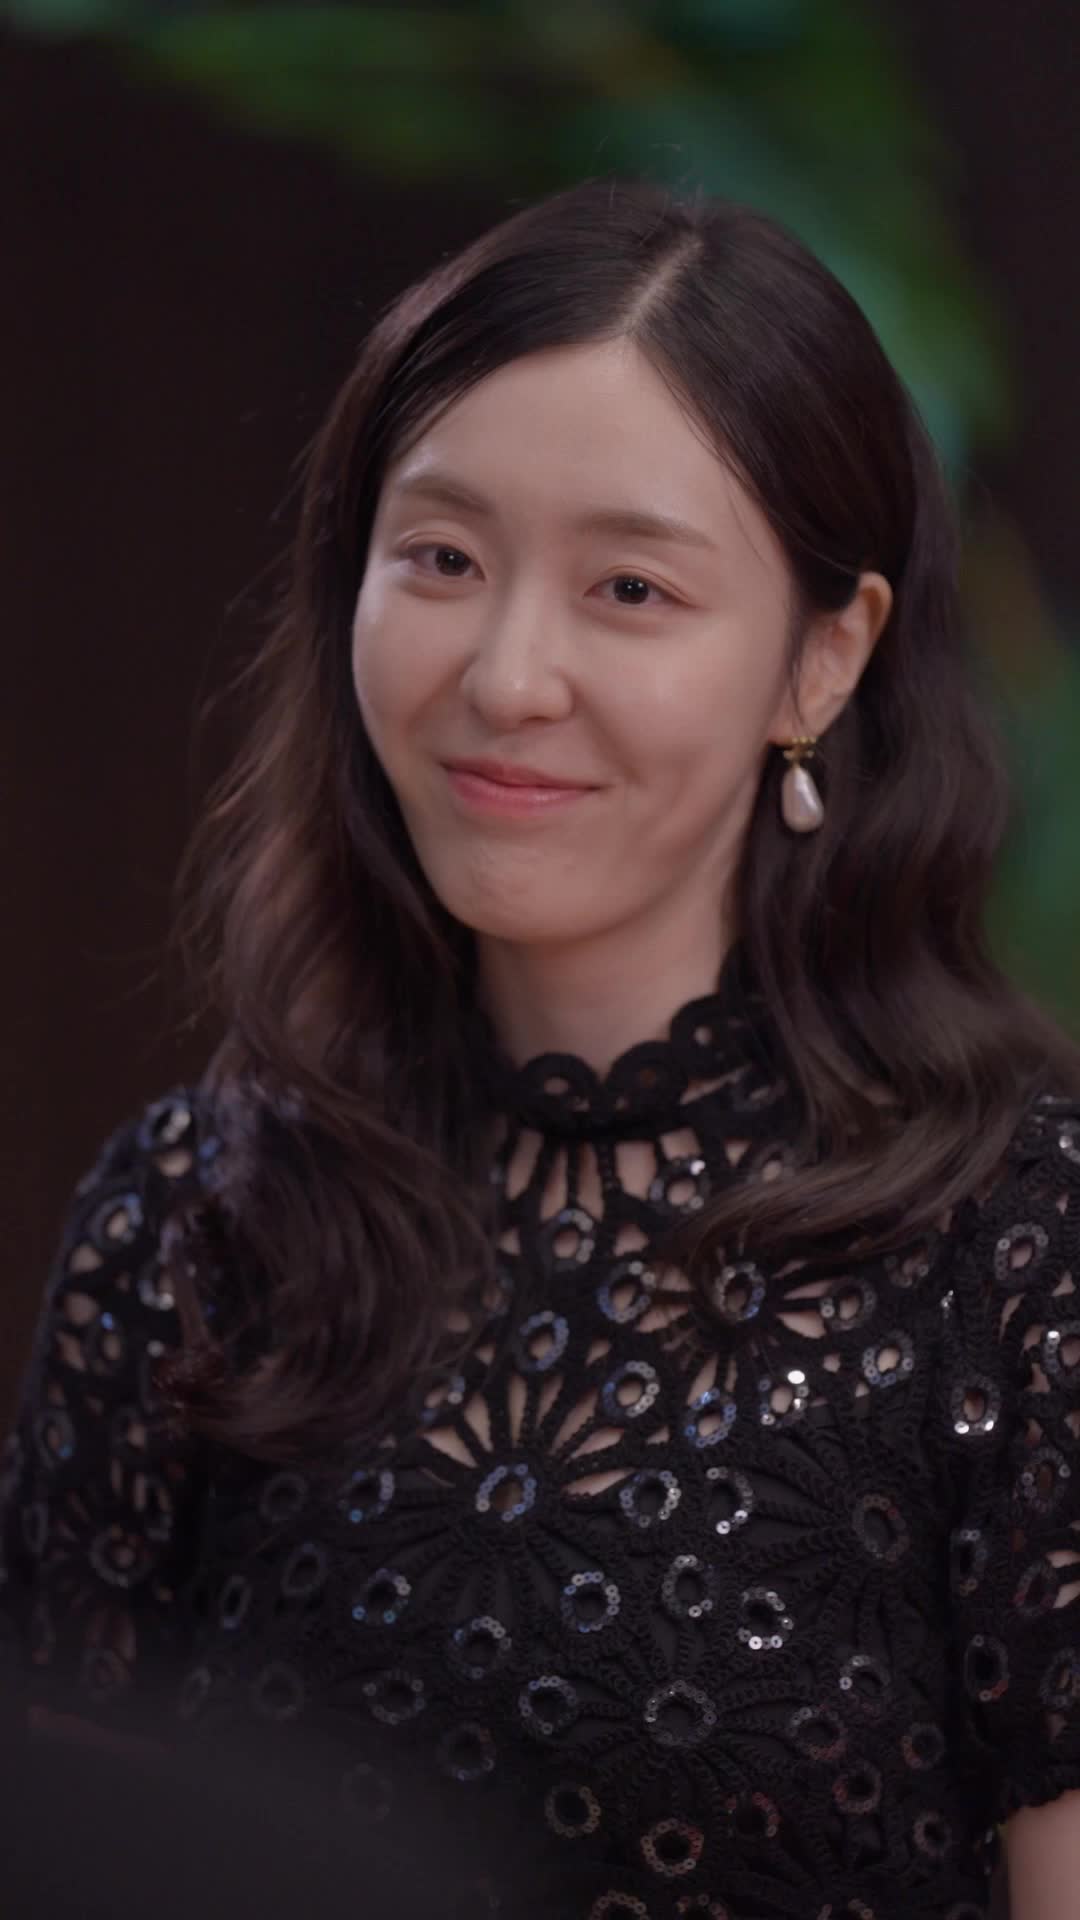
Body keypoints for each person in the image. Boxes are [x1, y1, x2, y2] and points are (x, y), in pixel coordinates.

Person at [2, 176, 1079, 1920]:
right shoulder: (194, 1226)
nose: (507, 677)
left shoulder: (1021, 1254)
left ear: (823, 660)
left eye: (631, 588)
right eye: (441, 560)